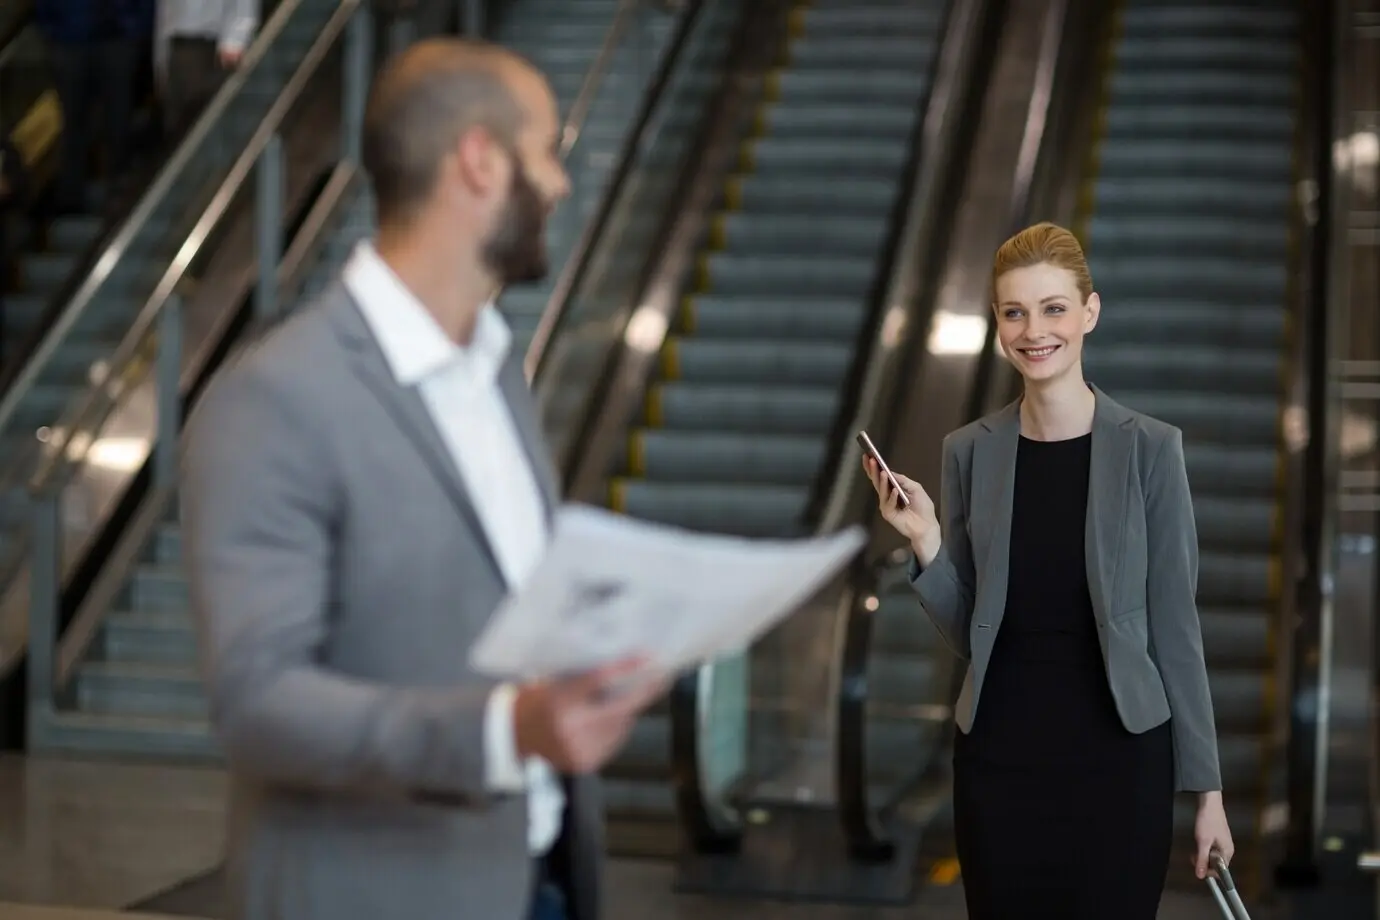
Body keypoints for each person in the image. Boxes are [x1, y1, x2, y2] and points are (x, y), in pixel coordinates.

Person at [180, 39, 667, 920]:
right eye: (546, 150)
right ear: (479, 161)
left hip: (539, 881)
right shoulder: (275, 397)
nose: (559, 183)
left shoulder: (498, 373)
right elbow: (257, 703)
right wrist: (504, 729)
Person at [863, 222, 1233, 919]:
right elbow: (973, 631)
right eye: (1014, 311)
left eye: (1054, 307)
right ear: (998, 323)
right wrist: (926, 541)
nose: (1035, 330)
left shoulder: (1151, 449)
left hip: (1121, 763)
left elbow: (1176, 627)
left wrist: (1208, 795)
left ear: (1089, 313)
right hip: (1000, 762)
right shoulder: (969, 450)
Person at [35, 0, 153, 214]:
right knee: (73, 121)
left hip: (118, 38)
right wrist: (52, 31)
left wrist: (135, 29)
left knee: (119, 118)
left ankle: (119, 190)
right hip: (69, 40)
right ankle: (71, 197)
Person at [155, 0, 260, 143]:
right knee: (178, 128)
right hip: (175, 47)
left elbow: (245, 6)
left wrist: (235, 39)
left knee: (207, 123)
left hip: (212, 47)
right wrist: (160, 62)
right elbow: (163, 14)